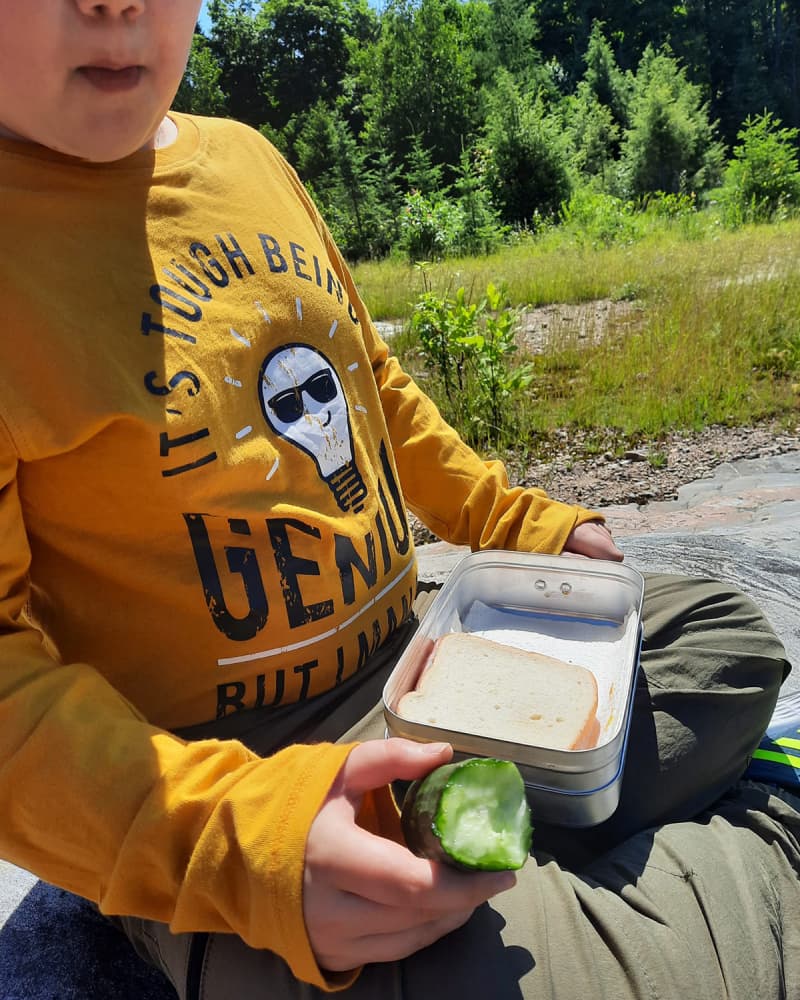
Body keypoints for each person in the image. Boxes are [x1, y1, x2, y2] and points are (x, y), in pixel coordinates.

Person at [0, 2, 797, 998]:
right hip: (236, 791)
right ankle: (708, 855)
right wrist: (255, 848)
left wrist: (522, 526)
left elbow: (371, 383)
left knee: (722, 639)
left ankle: (476, 856)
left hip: (434, 676)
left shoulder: (248, 158)